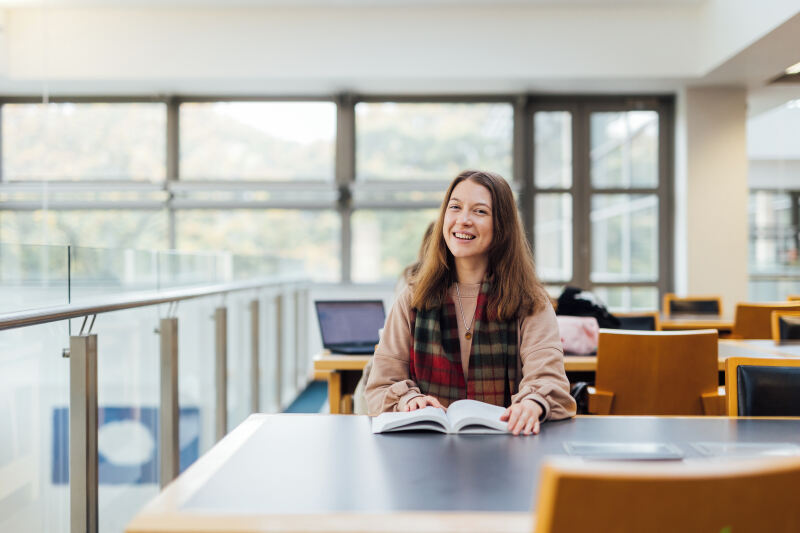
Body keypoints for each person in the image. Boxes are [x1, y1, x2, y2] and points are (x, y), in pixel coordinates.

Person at [365, 169, 576, 435]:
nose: (463, 220)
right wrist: (408, 399)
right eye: (455, 208)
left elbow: (549, 380)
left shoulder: (530, 301)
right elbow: (380, 386)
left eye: (480, 211)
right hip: (426, 450)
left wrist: (533, 403)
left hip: (509, 445)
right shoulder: (412, 298)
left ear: (502, 225)